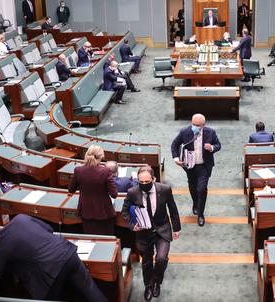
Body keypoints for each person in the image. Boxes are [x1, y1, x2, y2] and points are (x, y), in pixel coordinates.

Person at [0, 214, 107, 301]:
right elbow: (49, 229)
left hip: (49, 272)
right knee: (90, 290)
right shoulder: (20, 218)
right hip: (67, 252)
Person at [122, 166, 181, 301]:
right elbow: (125, 211)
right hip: (144, 232)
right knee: (147, 262)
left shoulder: (164, 189)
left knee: (161, 259)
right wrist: (132, 226)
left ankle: (156, 282)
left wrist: (176, 228)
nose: (144, 185)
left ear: (153, 179)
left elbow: (173, 209)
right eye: (141, 182)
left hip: (162, 229)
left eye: (146, 182)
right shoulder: (132, 192)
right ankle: (148, 286)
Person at [170, 113, 221, 226]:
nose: (196, 127)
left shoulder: (210, 132)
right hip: (190, 166)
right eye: (194, 124)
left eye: (198, 125)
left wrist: (212, 147)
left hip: (204, 166)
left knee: (202, 189)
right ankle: (195, 203)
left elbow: (218, 145)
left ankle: (201, 214)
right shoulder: (185, 132)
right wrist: (176, 158)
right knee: (193, 188)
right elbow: (174, 145)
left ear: (203, 124)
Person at [68, 145, 117, 235]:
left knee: (91, 238)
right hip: (104, 213)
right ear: (102, 157)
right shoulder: (106, 171)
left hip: (86, 212)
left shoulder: (78, 170)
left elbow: (71, 190)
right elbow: (114, 194)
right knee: (106, 240)